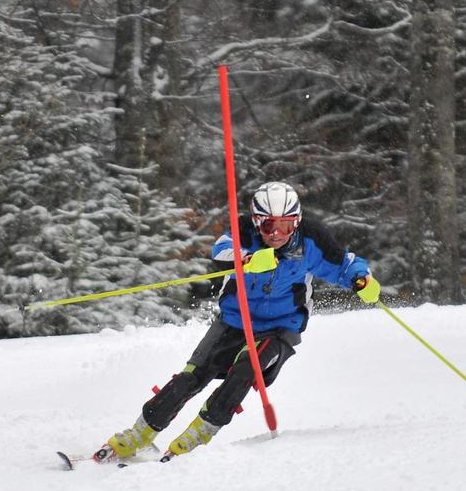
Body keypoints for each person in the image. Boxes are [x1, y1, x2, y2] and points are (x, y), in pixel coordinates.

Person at [100, 181, 381, 461]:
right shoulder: (245, 230)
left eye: (286, 225)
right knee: (193, 376)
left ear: (296, 221)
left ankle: (195, 439)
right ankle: (137, 435)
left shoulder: (311, 239)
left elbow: (344, 264)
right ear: (257, 221)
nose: (276, 234)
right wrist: (247, 258)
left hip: (281, 326)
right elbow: (220, 250)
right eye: (269, 225)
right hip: (235, 319)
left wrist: (361, 279)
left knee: (247, 368)